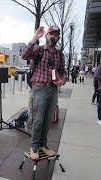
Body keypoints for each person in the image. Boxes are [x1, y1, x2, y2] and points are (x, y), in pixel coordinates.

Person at [21, 25, 66, 160]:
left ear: (58, 37)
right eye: (51, 34)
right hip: (39, 89)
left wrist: (62, 82)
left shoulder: (59, 54)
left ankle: (43, 145)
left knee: (47, 121)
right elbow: (24, 55)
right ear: (46, 35)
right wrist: (35, 37)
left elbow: (63, 72)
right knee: (38, 120)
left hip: (53, 90)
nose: (53, 36)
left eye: (56, 34)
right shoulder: (38, 50)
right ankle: (34, 146)